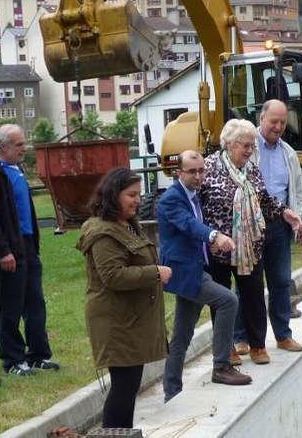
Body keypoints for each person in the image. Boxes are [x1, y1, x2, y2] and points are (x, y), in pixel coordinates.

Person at [200, 119, 302, 366]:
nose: (249, 151)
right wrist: (207, 236)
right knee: (222, 299)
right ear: (229, 144)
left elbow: (265, 198)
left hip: (249, 244)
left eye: (251, 146)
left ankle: (257, 346)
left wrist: (284, 211)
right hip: (219, 247)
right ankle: (229, 348)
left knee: (254, 295)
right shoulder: (210, 167)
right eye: (245, 146)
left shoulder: (252, 169)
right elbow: (198, 206)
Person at [77, 168, 169, 429]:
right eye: (131, 195)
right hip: (115, 322)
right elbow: (113, 276)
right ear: (112, 195)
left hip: (130, 320)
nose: (138, 200)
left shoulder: (127, 224)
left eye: (139, 194)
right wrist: (155, 273)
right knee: (124, 387)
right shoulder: (103, 232)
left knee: (128, 387)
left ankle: (121, 433)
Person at [160, 150, 252, 403]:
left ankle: (172, 391)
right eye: (192, 171)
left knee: (182, 335)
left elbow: (190, 229)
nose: (199, 176)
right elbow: (189, 225)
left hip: (194, 267)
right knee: (228, 300)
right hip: (183, 272)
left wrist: (206, 247)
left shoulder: (193, 195)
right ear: (179, 173)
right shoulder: (172, 199)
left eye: (202, 171)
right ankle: (221, 366)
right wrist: (214, 237)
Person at [0, 125, 58, 376]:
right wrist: (3, 251)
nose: (25, 149)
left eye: (24, 143)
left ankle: (37, 354)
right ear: (3, 147)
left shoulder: (17, 170)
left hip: (27, 245)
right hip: (9, 247)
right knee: (10, 305)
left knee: (35, 302)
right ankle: (13, 359)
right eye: (19, 145)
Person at [232, 99, 302, 359]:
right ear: (261, 118)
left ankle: (283, 335)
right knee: (247, 282)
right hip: (250, 224)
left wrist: (301, 221)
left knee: (280, 281)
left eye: (283, 123)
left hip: (279, 224)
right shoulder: (248, 148)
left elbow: (296, 190)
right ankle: (242, 337)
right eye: (273, 121)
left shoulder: (289, 153)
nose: (278, 127)